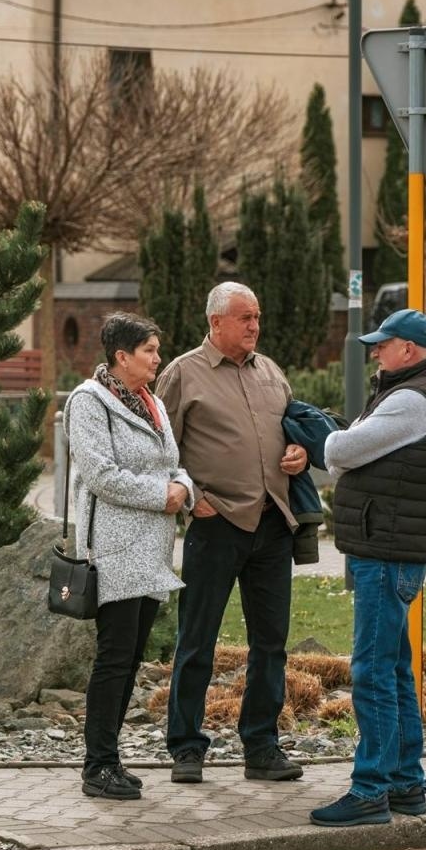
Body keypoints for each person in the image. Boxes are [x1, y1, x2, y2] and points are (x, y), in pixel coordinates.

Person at [156, 282, 308, 785]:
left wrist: (299, 455)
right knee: (196, 639)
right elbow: (160, 451)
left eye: (258, 316)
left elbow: (292, 436)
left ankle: (261, 746)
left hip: (273, 524)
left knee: (272, 643)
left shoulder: (271, 372)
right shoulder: (181, 374)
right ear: (216, 322)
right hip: (217, 524)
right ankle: (186, 747)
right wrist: (193, 500)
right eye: (245, 317)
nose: (254, 326)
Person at [310, 309, 426, 827]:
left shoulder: (412, 400)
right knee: (394, 670)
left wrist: (324, 437)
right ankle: (406, 784)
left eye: (382, 345)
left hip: (386, 551)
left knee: (372, 670)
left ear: (408, 350)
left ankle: (370, 788)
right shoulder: (413, 391)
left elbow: (340, 450)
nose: (375, 352)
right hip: (392, 547)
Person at [65, 313, 195, 801]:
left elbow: (174, 461)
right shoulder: (88, 402)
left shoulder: (152, 402)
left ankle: (110, 759)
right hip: (115, 549)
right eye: (150, 351)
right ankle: (97, 765)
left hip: (152, 549)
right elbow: (100, 474)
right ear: (122, 356)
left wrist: (183, 486)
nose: (159, 359)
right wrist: (164, 495)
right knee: (114, 659)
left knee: (130, 657)